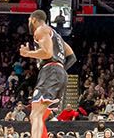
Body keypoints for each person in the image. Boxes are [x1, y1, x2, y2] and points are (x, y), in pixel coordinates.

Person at [21, 10, 76, 138]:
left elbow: (47, 53)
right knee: (38, 116)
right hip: (57, 73)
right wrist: (60, 70)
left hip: (50, 71)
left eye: (29, 20)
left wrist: (28, 53)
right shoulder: (56, 36)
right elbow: (72, 57)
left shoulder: (40, 30)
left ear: (34, 19)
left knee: (36, 115)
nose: (28, 23)